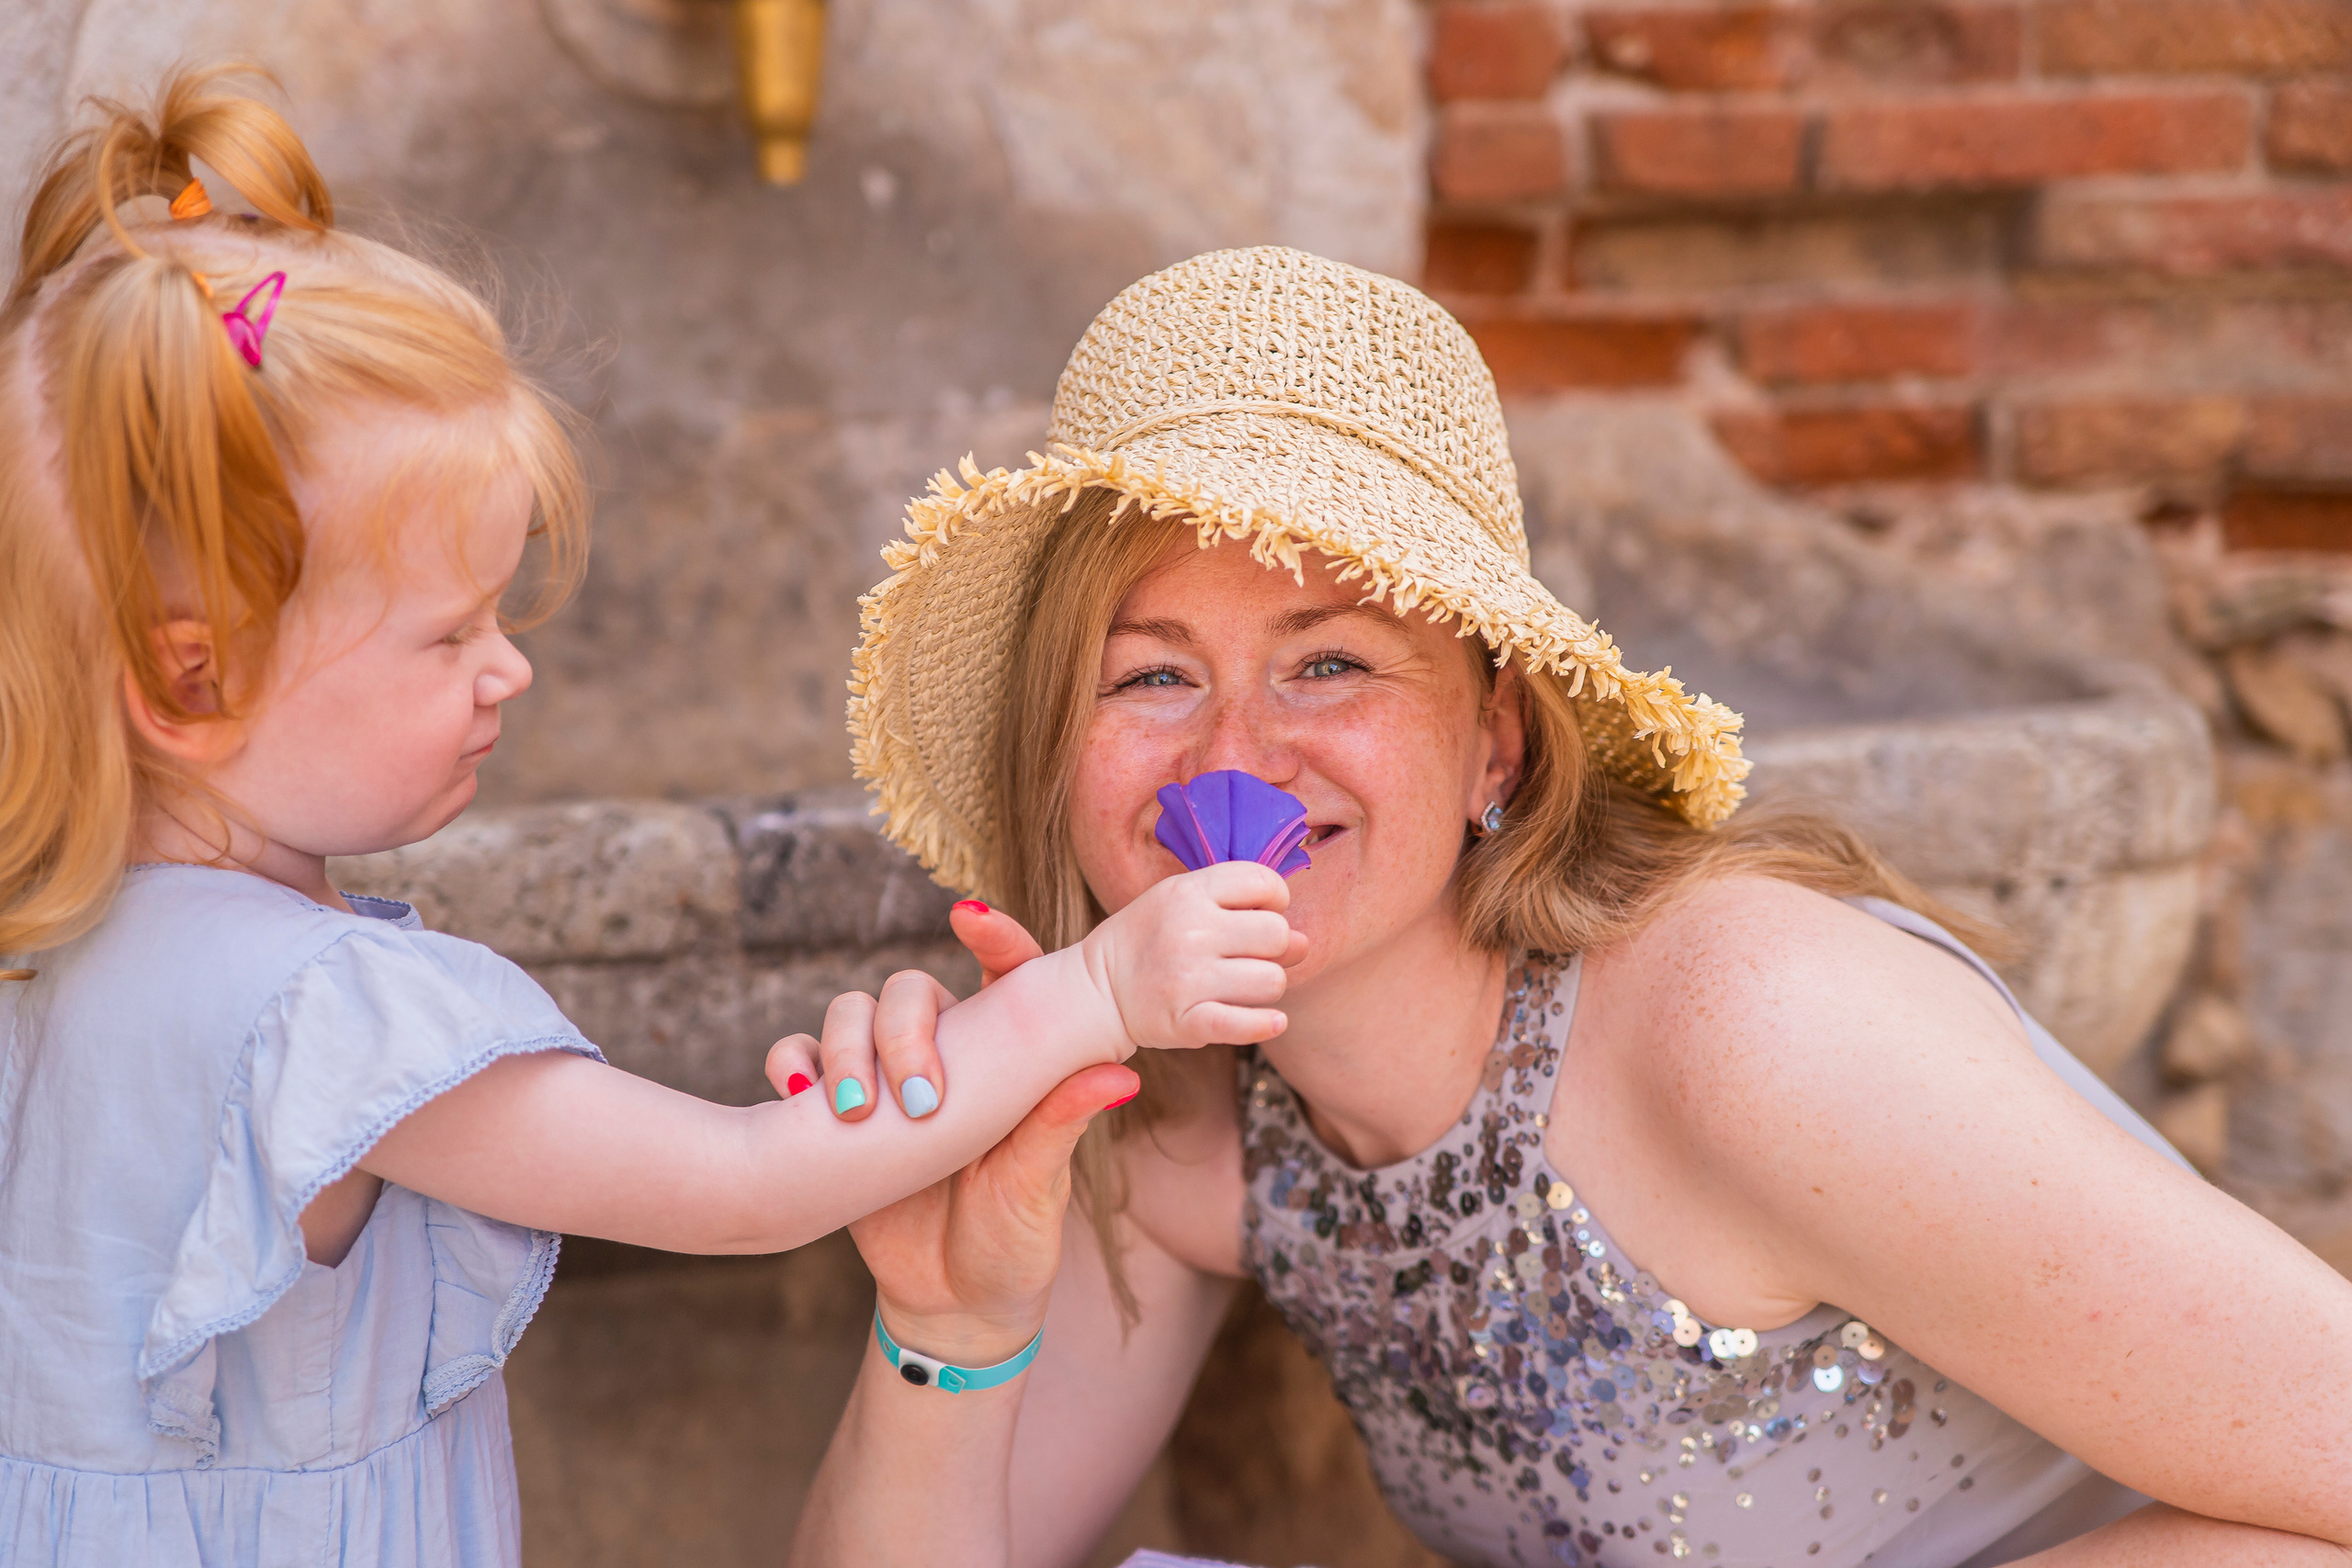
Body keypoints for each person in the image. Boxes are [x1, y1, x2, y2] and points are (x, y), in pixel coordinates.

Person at [791, 245, 2352, 1568]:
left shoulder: (1754, 1030)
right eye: (1150, 676)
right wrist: (948, 1327)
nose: (1232, 761)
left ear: (1498, 742)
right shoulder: (1193, 1136)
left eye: (1329, 661)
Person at [0, 74, 1299, 1568]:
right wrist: (1104, 988)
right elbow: (745, 1184)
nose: (509, 669)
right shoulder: (325, 1012)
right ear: (193, 680)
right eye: (448, 633)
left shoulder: (53, 960)